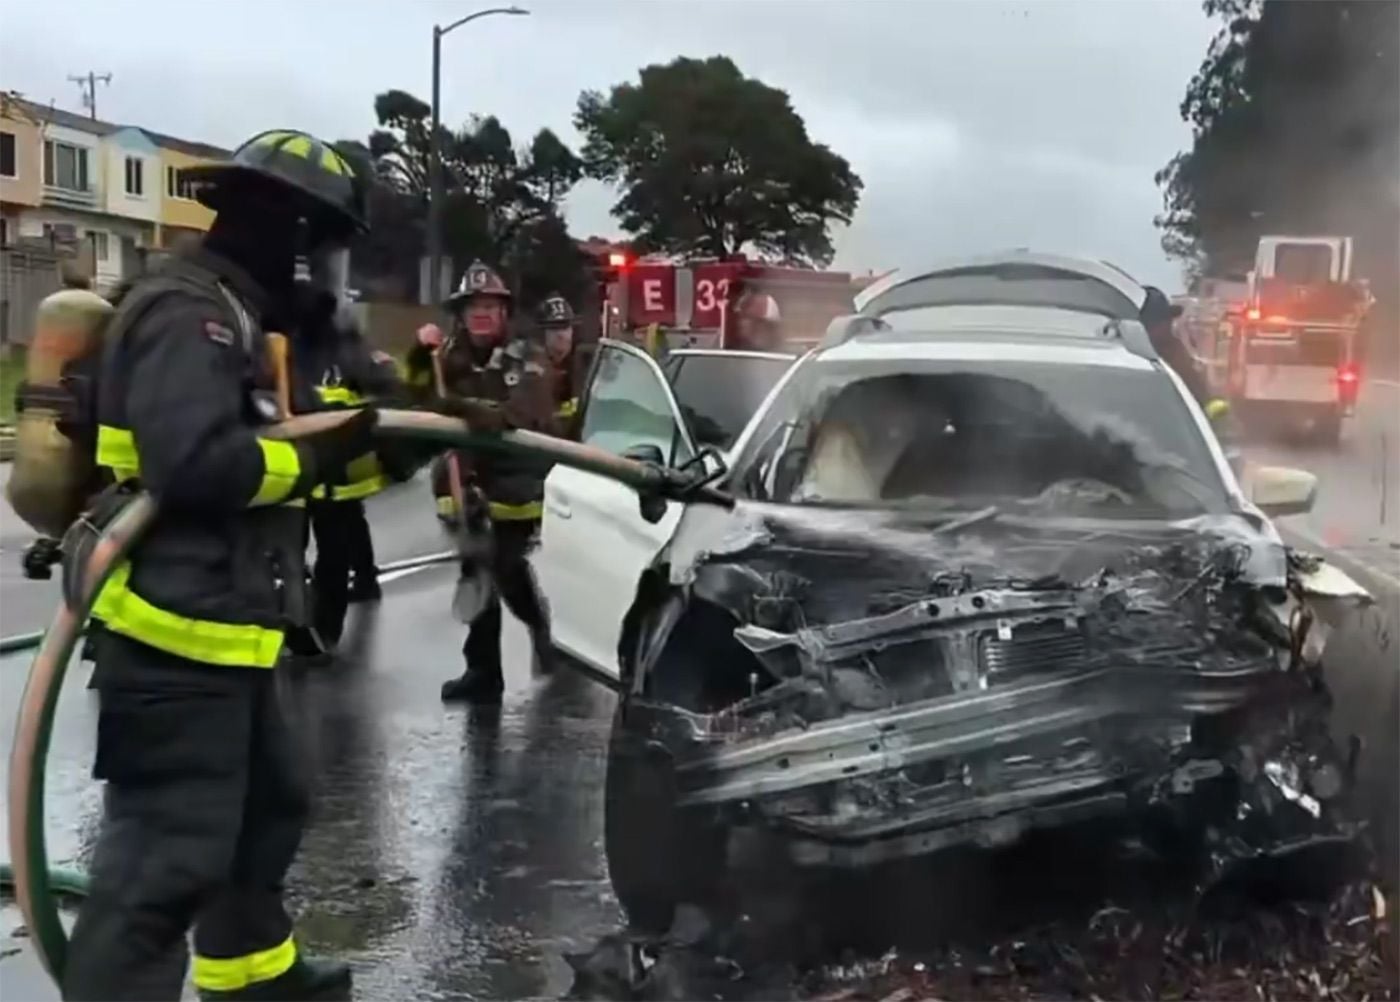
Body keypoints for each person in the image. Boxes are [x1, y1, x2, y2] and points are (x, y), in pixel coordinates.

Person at [63, 129, 382, 1002]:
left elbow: (320, 446)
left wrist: (417, 436)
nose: (329, 269)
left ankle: (255, 983)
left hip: (236, 637)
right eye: (326, 245)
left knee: (260, 828)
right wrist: (312, 463)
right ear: (288, 230)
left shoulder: (250, 321)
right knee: (160, 874)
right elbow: (197, 466)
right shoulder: (187, 312)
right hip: (172, 645)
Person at [407, 260, 557, 704]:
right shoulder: (449, 354)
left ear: (504, 313)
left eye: (489, 306)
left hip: (518, 487)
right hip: (467, 487)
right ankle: (482, 670)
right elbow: (414, 396)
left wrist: (456, 408)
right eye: (473, 307)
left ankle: (543, 633)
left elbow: (516, 416)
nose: (481, 315)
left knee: (508, 572)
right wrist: (419, 356)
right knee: (477, 572)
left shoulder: (526, 356)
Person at [289, 264, 403, 653]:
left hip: (338, 476)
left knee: (333, 556)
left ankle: (326, 631)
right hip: (291, 475)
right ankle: (296, 624)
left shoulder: (348, 349)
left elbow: (388, 389)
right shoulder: (280, 345)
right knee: (286, 552)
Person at [538, 291, 589, 431]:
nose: (560, 335)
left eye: (565, 327)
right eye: (553, 328)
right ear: (542, 334)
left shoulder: (586, 369)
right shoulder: (529, 373)